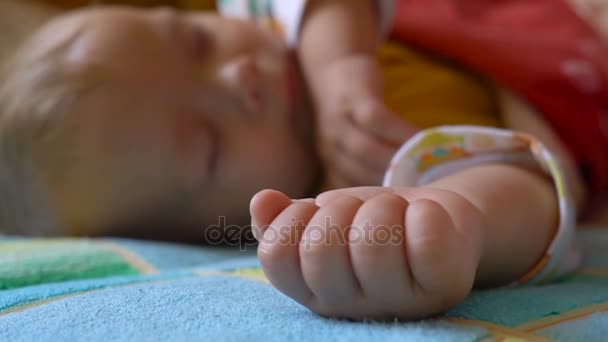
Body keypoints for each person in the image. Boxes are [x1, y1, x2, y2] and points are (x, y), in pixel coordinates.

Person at [0, 0, 605, 320]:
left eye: (197, 42)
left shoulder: (285, 28)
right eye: (209, 145)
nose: (238, 77)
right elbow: (535, 188)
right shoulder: (356, 194)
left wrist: (339, 67)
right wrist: (448, 222)